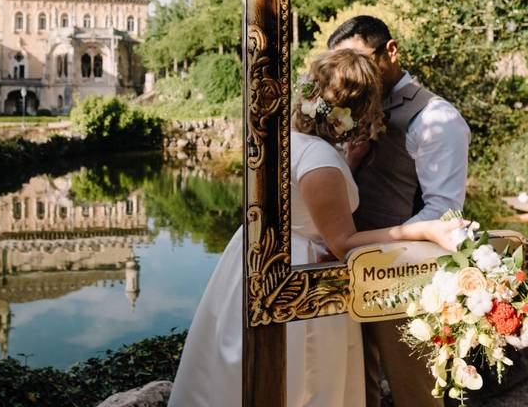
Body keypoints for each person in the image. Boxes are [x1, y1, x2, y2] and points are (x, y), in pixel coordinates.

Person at [168, 48, 467, 407]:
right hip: (302, 271)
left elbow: (311, 199)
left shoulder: (281, 142)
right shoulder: (321, 160)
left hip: (254, 258)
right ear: (360, 110)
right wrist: (423, 230)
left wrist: (348, 164)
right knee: (305, 376)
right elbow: (341, 242)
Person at [328, 16, 471, 407]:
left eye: (358, 62)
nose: (349, 76)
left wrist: (379, 255)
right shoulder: (349, 107)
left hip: (406, 278)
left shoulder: (437, 119)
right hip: (347, 268)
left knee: (416, 393)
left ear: (390, 51)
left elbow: (443, 210)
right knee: (356, 390)